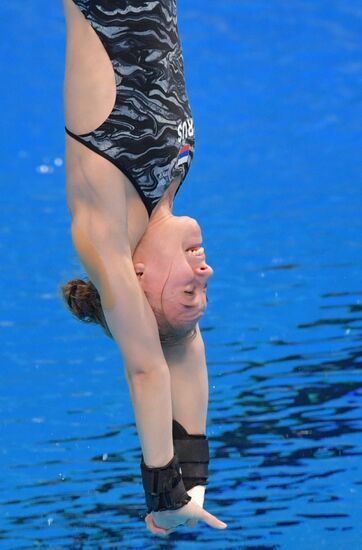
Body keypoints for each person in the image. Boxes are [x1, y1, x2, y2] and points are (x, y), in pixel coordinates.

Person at [61, 0, 227, 536]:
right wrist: (196, 477)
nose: (205, 274)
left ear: (137, 281)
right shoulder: (166, 191)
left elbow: (149, 367)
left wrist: (165, 490)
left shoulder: (105, 226)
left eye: (187, 294)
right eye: (202, 291)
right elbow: (184, 347)